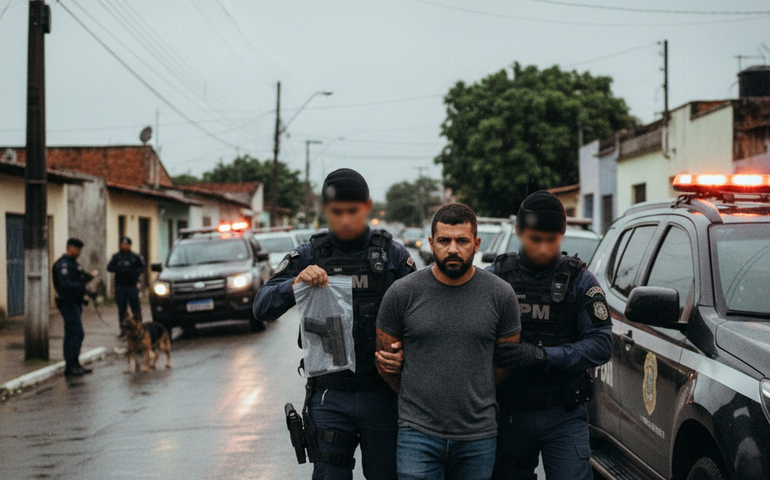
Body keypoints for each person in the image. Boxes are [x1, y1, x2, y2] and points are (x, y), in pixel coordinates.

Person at [253, 168, 416, 480]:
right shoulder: (309, 254)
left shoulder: (392, 255)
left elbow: (422, 318)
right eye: (336, 212)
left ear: (366, 207)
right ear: (325, 210)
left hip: (382, 393)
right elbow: (262, 307)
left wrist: (406, 353)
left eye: (352, 211)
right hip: (330, 396)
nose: (344, 220)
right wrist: (294, 284)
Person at [376, 203, 521, 480]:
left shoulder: (501, 295)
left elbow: (505, 361)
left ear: (476, 244)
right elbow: (385, 361)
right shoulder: (403, 293)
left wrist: (474, 390)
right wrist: (416, 397)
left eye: (462, 241)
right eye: (444, 240)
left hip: (477, 435)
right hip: (417, 434)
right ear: (431, 243)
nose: (453, 249)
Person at [489, 191, 613, 480]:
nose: (543, 248)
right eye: (535, 239)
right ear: (519, 231)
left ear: (562, 233)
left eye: (552, 240)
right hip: (510, 411)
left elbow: (602, 344)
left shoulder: (580, 281)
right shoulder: (496, 277)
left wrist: (542, 356)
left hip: (563, 412)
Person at [53, 238, 97, 377]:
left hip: (75, 303)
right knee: (76, 333)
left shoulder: (74, 264)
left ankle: (74, 363)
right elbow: (66, 285)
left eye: (80, 249)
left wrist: (89, 279)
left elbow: (81, 277)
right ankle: (71, 366)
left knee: (72, 333)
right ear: (70, 248)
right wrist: (82, 286)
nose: (79, 252)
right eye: (77, 249)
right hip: (67, 302)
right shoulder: (64, 264)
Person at [107, 237, 146, 336]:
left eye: (126, 245)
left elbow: (143, 267)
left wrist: (134, 271)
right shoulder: (116, 257)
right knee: (122, 310)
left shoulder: (135, 257)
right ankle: (123, 330)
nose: (124, 246)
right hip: (121, 286)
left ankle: (139, 327)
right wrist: (118, 269)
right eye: (122, 244)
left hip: (132, 286)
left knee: (136, 309)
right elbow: (109, 267)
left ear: (129, 245)